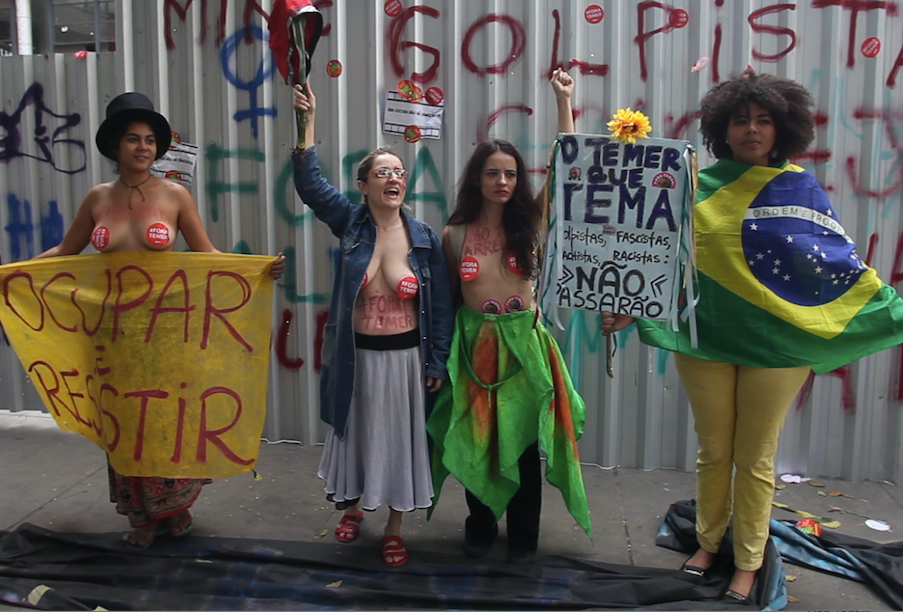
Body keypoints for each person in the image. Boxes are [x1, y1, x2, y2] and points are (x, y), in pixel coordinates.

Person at [602, 70, 903, 603]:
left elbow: (835, 265)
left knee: (756, 457)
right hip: (705, 336)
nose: (751, 129)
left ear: (782, 128)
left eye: (763, 120)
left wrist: (883, 307)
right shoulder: (696, 185)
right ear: (723, 127)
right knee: (714, 451)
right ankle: (708, 543)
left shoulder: (800, 187)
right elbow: (667, 260)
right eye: (741, 120)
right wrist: (632, 308)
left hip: (777, 346)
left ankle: (750, 561)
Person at [34, 92, 285, 549]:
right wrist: (19, 272)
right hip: (111, 336)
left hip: (166, 332)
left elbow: (207, 255)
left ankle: (175, 508)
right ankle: (141, 516)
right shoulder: (97, 199)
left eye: (150, 140)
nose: (143, 147)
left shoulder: (174, 195)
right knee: (124, 420)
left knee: (166, 417)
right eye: (133, 139)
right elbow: (66, 253)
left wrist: (257, 270)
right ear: (115, 145)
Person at [427, 69, 591, 564]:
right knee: (479, 440)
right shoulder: (453, 234)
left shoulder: (532, 222)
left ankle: (524, 535)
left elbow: (566, 166)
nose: (503, 181)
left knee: (521, 445)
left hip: (526, 349)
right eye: (493, 172)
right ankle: (479, 524)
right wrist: (440, 364)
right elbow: (447, 302)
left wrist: (564, 100)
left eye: (511, 174)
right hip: (476, 352)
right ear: (477, 178)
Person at [291, 82, 454, 567]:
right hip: (357, 358)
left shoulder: (423, 237)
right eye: (382, 172)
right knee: (361, 436)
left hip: (406, 359)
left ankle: (395, 526)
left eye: (399, 172)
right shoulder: (351, 223)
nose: (393, 178)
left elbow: (441, 308)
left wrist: (438, 360)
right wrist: (307, 123)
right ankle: (356, 505)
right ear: (363, 186)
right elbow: (309, 186)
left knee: (402, 442)